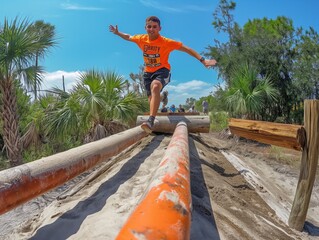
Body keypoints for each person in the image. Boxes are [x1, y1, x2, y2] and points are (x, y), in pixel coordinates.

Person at [109, 16, 217, 133]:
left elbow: (187, 49)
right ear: (145, 28)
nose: (151, 29)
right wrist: (117, 32)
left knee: (155, 86)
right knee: (152, 100)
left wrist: (203, 60)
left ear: (160, 28)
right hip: (147, 73)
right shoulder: (141, 39)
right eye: (149, 27)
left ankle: (151, 121)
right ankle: (161, 97)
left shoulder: (166, 42)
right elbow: (129, 37)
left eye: (154, 27)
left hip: (163, 70)